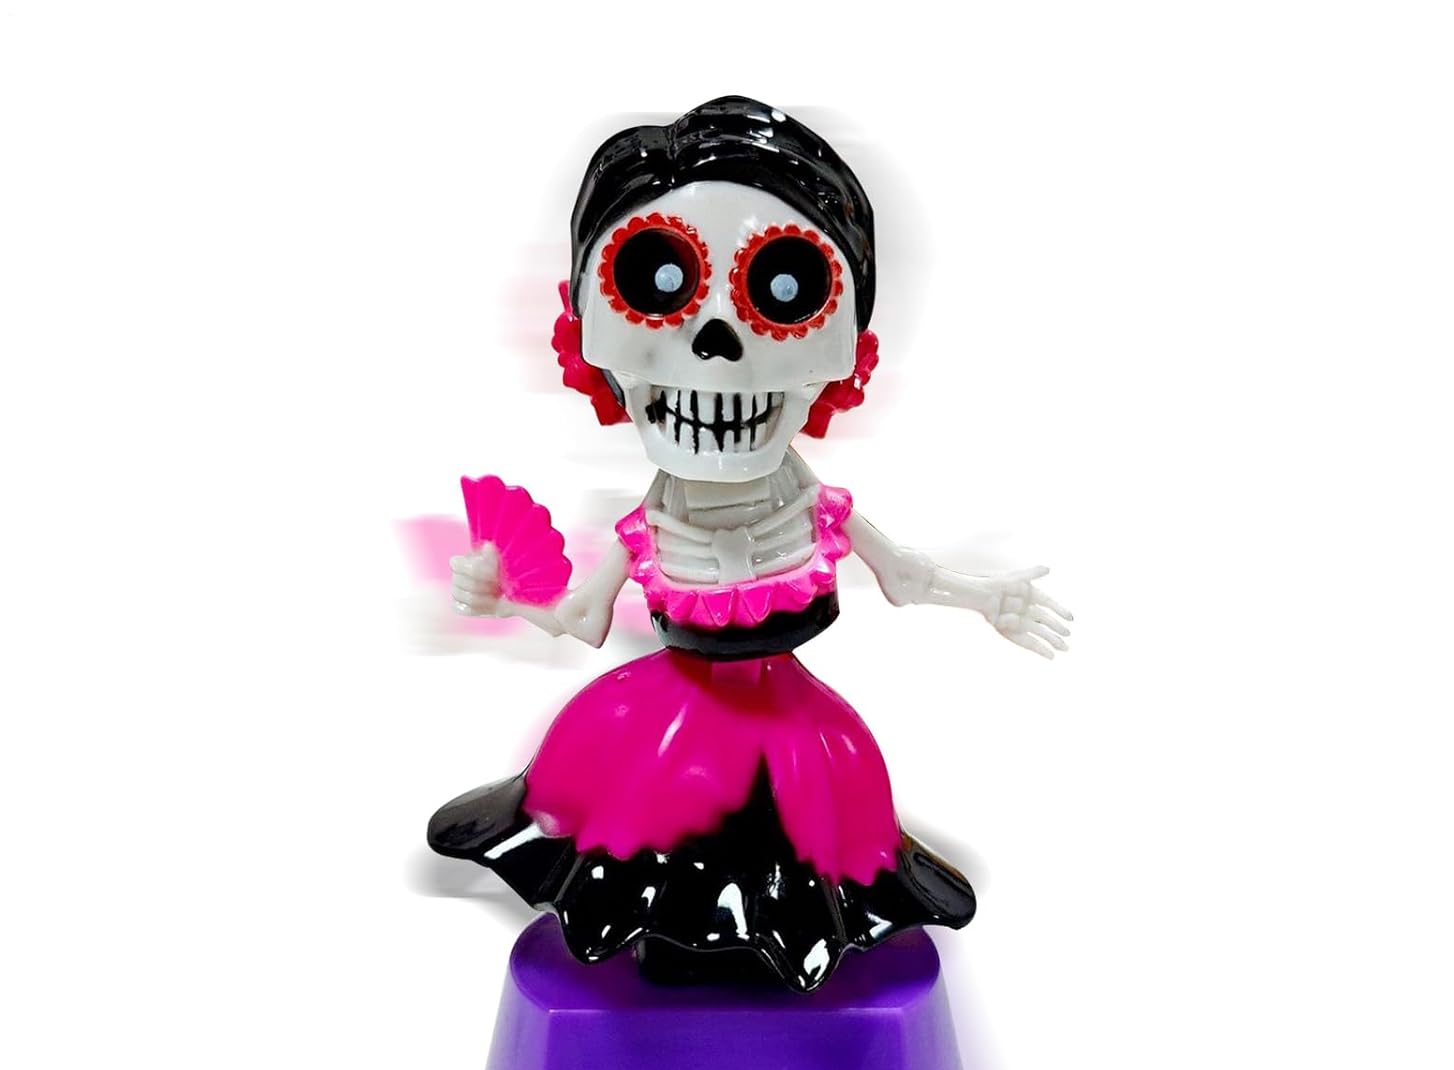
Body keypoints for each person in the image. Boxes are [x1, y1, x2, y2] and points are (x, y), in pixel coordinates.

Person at [428, 97, 1069, 991]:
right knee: (646, 825)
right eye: (656, 281)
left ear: (847, 353)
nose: (716, 348)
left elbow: (902, 574)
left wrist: (983, 595)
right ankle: (674, 954)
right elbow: (580, 619)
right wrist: (506, 598)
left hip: (786, 727)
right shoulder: (651, 526)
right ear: (586, 339)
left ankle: (762, 952)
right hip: (669, 720)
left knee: (801, 849)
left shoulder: (815, 510)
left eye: (785, 290)